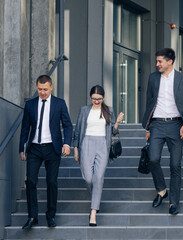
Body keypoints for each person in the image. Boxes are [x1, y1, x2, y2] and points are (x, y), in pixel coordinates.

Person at [142, 48, 183, 215]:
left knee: (175, 164)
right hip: (156, 124)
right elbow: (150, 101)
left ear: (170, 61)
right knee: (153, 158)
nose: (157, 64)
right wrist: (148, 127)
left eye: (159, 61)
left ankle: (174, 203)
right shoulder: (153, 78)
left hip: (176, 125)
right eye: (157, 61)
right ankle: (162, 189)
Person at [19, 75, 73, 229]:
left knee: (51, 182)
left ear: (51, 87)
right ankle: (32, 216)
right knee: (31, 181)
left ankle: (51, 216)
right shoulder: (30, 105)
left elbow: (68, 126)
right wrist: (21, 148)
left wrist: (67, 144)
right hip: (34, 148)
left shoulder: (59, 104)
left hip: (52, 148)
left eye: (45, 89)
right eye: (39, 89)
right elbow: (25, 128)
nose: (42, 92)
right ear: (37, 88)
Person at [73, 85, 124, 226]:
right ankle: (95, 201)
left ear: (103, 98)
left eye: (99, 99)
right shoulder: (84, 110)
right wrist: (75, 148)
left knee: (99, 177)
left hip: (103, 144)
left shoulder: (109, 111)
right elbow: (77, 131)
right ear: (90, 98)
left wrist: (118, 122)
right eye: (94, 99)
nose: (96, 101)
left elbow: (113, 132)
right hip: (86, 143)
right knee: (89, 178)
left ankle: (93, 211)